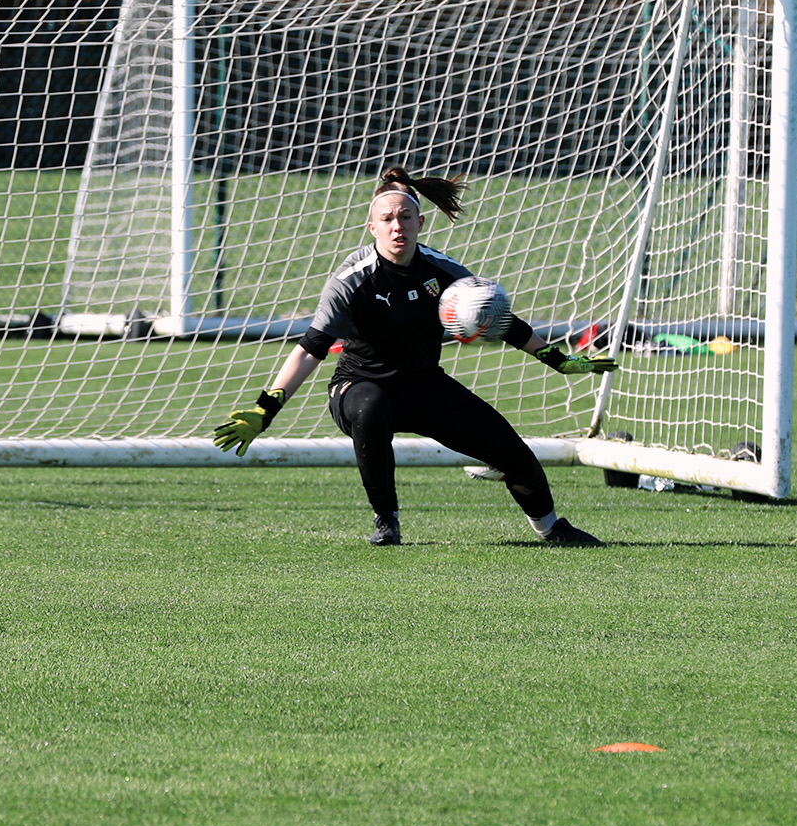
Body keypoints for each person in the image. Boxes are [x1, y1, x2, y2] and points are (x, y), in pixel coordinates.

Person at [211, 167, 616, 546]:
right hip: (358, 385)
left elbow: (500, 320)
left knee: (515, 454)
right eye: (387, 218)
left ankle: (551, 529)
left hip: (424, 385)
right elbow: (310, 349)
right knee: (372, 407)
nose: (396, 225)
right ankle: (386, 518)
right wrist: (265, 410)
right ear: (372, 227)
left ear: (420, 223)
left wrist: (558, 360)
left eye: (405, 217)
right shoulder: (351, 280)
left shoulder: (443, 272)